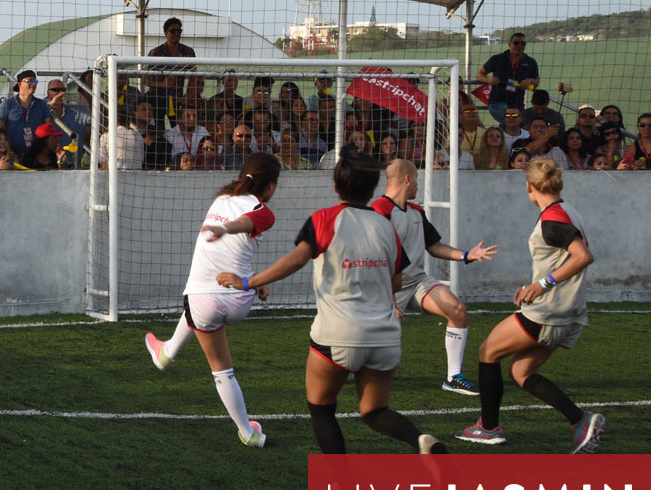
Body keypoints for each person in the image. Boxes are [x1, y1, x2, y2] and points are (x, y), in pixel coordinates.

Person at [241, 152, 447, 455]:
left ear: (336, 187)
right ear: (373, 187)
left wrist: (248, 282)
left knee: (322, 408)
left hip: (338, 334)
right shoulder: (386, 225)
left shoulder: (323, 219)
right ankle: (420, 441)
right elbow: (398, 281)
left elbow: (296, 260)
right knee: (374, 411)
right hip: (386, 334)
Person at [455, 158, 604, 453]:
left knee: (487, 351)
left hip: (548, 312)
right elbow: (563, 258)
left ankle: (487, 428)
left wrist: (542, 284)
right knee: (521, 372)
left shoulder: (552, 219)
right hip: (567, 312)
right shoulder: (566, 210)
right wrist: (532, 286)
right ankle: (580, 420)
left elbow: (582, 256)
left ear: (530, 187)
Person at [144, 154, 282, 447]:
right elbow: (245, 227)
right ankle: (166, 351)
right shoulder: (265, 212)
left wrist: (223, 228)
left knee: (221, 369)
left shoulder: (219, 200)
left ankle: (248, 432)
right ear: (270, 186)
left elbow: (237, 230)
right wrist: (253, 280)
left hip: (204, 301)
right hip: (238, 299)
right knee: (198, 310)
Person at [373, 160, 498, 395]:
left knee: (457, 310)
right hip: (385, 286)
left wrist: (466, 255)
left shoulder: (417, 211)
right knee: (376, 353)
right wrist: (389, 300)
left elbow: (433, 246)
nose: (418, 185)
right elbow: (376, 258)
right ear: (407, 179)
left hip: (417, 282)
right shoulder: (379, 210)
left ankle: (453, 377)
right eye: (416, 179)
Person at [144, 17, 202, 127]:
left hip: (178, 99)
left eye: (179, 31)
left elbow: (193, 76)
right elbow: (145, 79)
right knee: (158, 130)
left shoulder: (188, 52)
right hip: (157, 98)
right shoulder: (155, 53)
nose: (176, 34)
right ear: (166, 33)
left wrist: (187, 96)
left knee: (178, 130)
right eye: (173, 31)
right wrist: (162, 84)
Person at [478, 33, 539, 125]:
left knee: (513, 123)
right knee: (511, 119)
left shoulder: (530, 62)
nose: (519, 45)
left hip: (518, 103)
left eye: (523, 44)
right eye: (516, 43)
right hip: (497, 102)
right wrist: (488, 80)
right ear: (509, 44)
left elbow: (537, 81)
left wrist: (530, 81)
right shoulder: (497, 59)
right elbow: (479, 74)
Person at [0, 70, 50, 158]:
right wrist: (5, 152)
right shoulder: (7, 104)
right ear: (20, 84)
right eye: (30, 81)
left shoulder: (42, 104)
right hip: (12, 154)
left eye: (35, 81)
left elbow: (48, 127)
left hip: (35, 155)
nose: (33, 83)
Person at [46, 79, 91, 165]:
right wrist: (51, 106)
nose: (60, 93)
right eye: (55, 90)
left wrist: (91, 137)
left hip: (74, 166)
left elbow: (99, 121)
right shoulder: (42, 110)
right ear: (48, 92)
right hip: (49, 165)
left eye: (63, 90)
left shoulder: (77, 111)